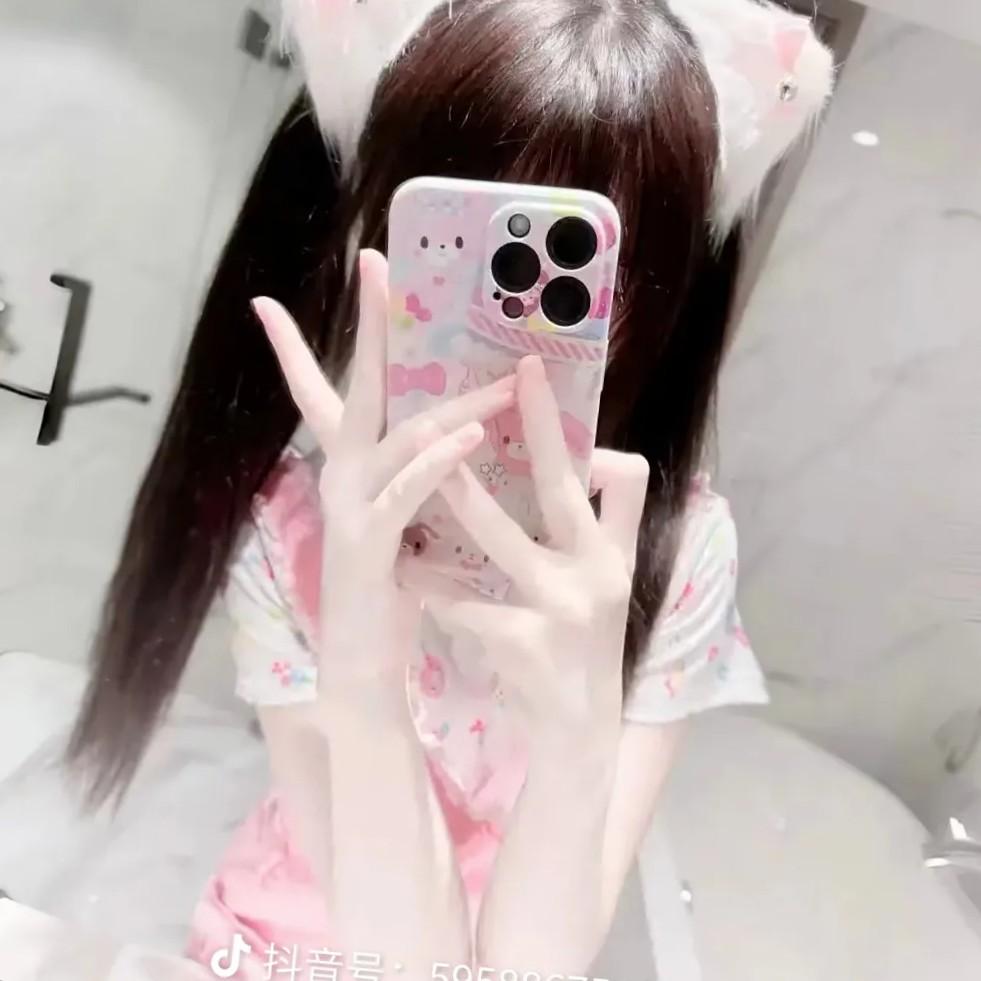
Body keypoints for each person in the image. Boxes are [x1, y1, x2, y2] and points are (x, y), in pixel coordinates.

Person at [66, 0, 833, 977]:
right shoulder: (293, 530)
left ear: (659, 295)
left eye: (575, 275)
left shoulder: (673, 555)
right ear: (369, 242)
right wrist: (361, 665)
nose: (507, 330)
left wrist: (578, 734)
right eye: (457, 250)